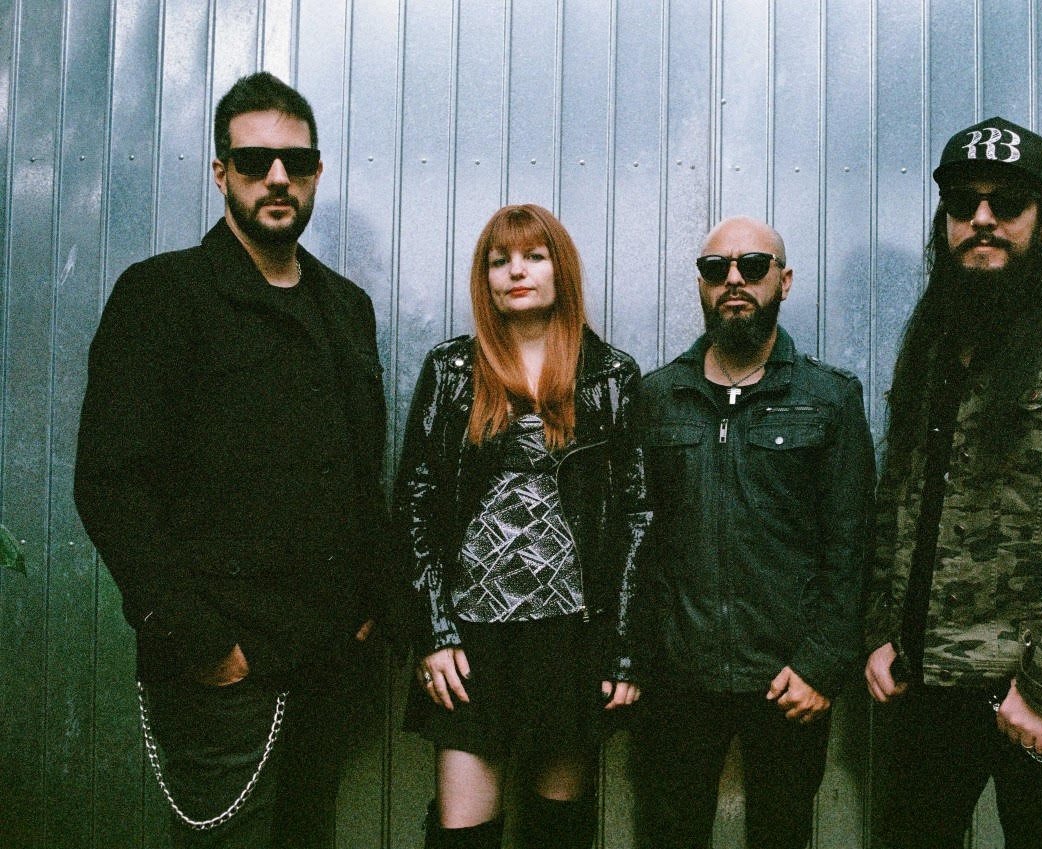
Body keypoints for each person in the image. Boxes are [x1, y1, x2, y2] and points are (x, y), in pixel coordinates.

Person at [74, 72, 389, 848]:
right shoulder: (163, 294)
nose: (277, 177)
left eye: (296, 161)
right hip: (223, 671)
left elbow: (361, 470)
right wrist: (202, 642)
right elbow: (110, 482)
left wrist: (369, 603)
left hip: (327, 662)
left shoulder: (346, 306)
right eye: (254, 161)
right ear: (221, 172)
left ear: (317, 172)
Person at [862, 116, 1042, 849]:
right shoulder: (935, 340)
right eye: (964, 203)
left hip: (1031, 686)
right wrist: (879, 632)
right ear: (945, 225)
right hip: (925, 679)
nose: (983, 218)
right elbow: (898, 500)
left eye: (1007, 203)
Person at [395, 204, 650, 849]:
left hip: (571, 637)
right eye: (499, 260)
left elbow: (636, 516)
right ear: (484, 277)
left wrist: (623, 648)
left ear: (561, 270)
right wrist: (434, 631)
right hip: (472, 642)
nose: (516, 271)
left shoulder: (611, 375)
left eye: (534, 257)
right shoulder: (453, 369)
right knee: (463, 833)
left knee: (556, 833)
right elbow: (416, 504)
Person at [631, 216, 876, 849]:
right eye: (716, 269)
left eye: (754, 266)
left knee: (780, 835)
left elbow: (852, 546)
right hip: (677, 682)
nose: (734, 279)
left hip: (787, 680)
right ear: (702, 286)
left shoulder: (828, 398)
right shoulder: (657, 398)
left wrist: (821, 666)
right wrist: (636, 658)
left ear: (784, 281)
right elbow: (634, 542)